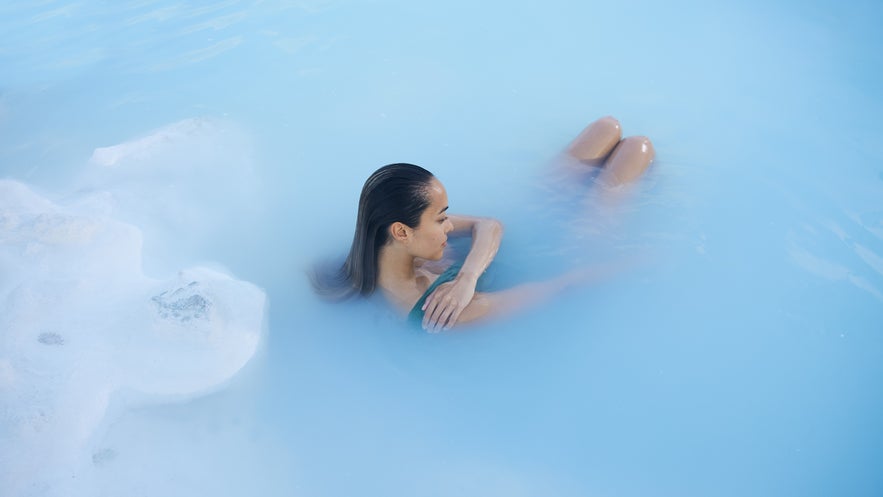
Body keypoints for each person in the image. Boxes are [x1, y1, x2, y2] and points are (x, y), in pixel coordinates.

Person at [312, 116, 654, 331]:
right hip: (567, 247)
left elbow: (489, 224)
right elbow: (560, 289)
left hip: (528, 231)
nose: (448, 226)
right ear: (402, 231)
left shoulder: (380, 246)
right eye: (441, 218)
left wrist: (466, 277)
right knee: (639, 148)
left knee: (605, 128)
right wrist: (640, 266)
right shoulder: (443, 312)